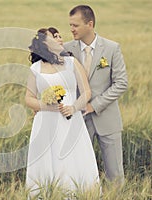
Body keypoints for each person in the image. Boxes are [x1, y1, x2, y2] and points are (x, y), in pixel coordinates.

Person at [25, 28, 99, 198]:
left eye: (59, 35)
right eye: (54, 36)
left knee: (72, 159)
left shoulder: (72, 63)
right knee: (48, 160)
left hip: (70, 120)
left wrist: (73, 108)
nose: (60, 38)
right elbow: (28, 98)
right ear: (44, 43)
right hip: (45, 123)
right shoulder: (36, 68)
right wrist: (46, 105)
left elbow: (86, 92)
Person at [63, 5, 128, 185]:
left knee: (115, 175)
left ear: (89, 24)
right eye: (70, 25)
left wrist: (94, 105)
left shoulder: (112, 48)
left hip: (108, 119)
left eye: (75, 25)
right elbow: (55, 79)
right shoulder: (66, 49)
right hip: (78, 121)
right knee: (79, 174)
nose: (71, 29)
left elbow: (121, 83)